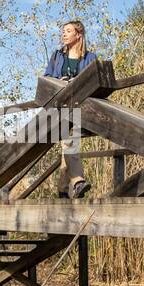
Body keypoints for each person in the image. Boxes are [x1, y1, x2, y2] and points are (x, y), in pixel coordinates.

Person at [44, 20, 97, 198]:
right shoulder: (57, 56)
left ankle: (63, 191)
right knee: (69, 142)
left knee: (68, 146)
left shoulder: (90, 58)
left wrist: (78, 83)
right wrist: (61, 82)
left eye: (68, 31)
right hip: (61, 108)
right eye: (63, 31)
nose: (63, 34)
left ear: (78, 35)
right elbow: (47, 79)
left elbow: (94, 82)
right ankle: (78, 181)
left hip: (81, 108)